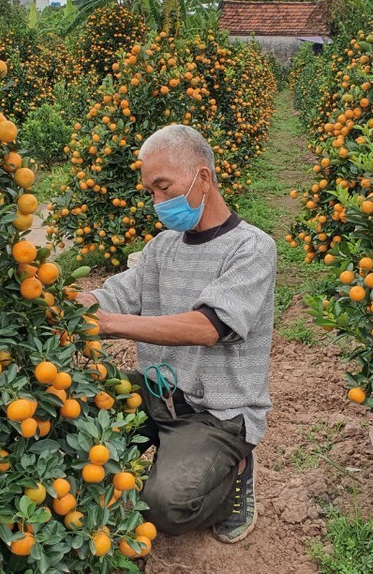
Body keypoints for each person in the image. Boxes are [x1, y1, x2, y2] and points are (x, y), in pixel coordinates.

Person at [76, 124, 276, 544]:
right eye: (151, 192)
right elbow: (113, 296)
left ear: (203, 178)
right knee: (70, 412)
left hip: (216, 413)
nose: (158, 202)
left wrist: (110, 325)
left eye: (164, 187)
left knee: (165, 506)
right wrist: (59, 301)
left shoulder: (252, 249)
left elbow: (208, 327)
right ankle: (177, 454)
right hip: (157, 392)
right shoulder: (161, 247)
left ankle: (234, 473)